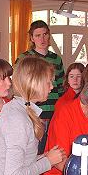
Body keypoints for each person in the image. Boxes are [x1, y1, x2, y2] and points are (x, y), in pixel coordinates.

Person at [0, 56, 66, 175]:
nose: (51, 87)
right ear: (34, 83)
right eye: (48, 82)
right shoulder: (18, 118)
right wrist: (47, 162)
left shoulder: (20, 110)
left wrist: (44, 156)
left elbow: (21, 161)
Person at [16, 20, 65, 153]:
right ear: (32, 38)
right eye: (38, 35)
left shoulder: (57, 59)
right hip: (32, 113)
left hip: (53, 113)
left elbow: (61, 88)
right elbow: (19, 86)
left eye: (45, 34)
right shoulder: (24, 58)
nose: (42, 39)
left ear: (49, 36)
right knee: (31, 152)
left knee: (49, 150)